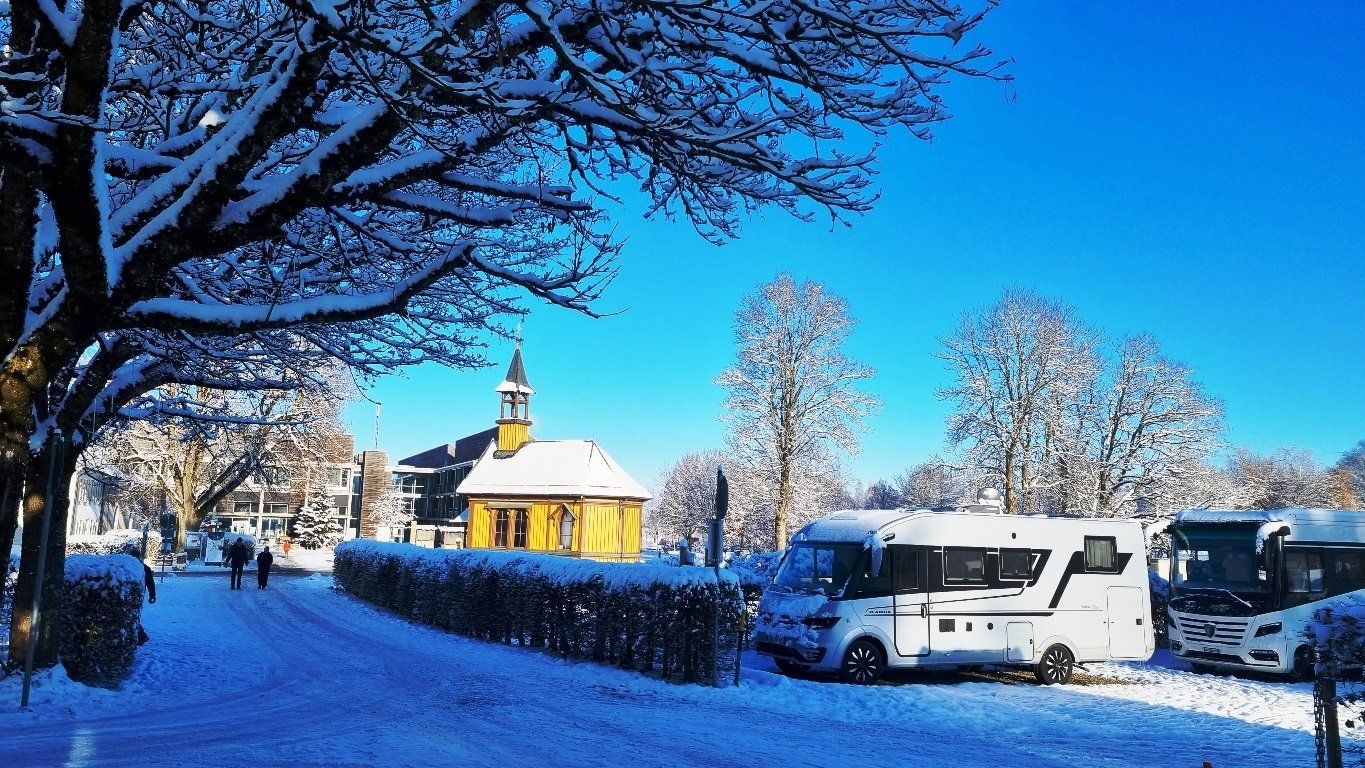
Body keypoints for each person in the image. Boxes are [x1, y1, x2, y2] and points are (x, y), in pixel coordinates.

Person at [138, 558, 157, 645]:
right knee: (135, 616)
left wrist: (152, 596)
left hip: (137, 596)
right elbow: (151, 584)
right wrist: (152, 596)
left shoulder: (143, 568)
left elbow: (150, 583)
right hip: (139, 596)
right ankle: (141, 636)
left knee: (134, 617)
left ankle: (141, 636)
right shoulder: (145, 568)